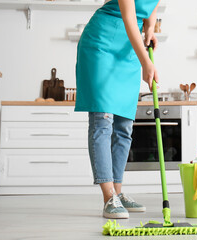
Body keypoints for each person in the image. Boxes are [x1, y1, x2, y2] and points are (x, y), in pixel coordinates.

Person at [75, 0, 160, 219]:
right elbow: (129, 17)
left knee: (124, 127)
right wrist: (145, 62)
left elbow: (151, 9)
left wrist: (150, 30)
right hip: (101, 44)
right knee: (102, 121)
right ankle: (108, 196)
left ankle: (118, 194)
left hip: (128, 49)